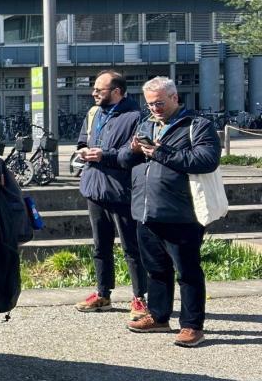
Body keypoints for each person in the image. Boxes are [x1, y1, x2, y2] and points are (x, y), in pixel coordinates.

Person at [119, 77, 221, 348]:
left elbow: (206, 160)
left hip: (181, 213)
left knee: (187, 272)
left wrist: (160, 152)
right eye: (150, 104)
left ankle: (191, 326)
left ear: (175, 98)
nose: (155, 109)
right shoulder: (146, 124)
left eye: (160, 103)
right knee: (155, 270)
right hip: (145, 211)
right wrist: (131, 151)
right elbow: (124, 161)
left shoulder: (197, 125)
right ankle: (159, 316)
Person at [72, 70, 147, 317]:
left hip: (122, 191)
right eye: (94, 88)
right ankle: (103, 294)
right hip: (94, 187)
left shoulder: (136, 116)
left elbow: (133, 154)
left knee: (131, 248)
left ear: (116, 92)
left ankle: (140, 298)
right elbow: (83, 140)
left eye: (99, 90)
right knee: (100, 246)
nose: (93, 93)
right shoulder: (93, 113)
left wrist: (105, 155)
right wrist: (83, 150)